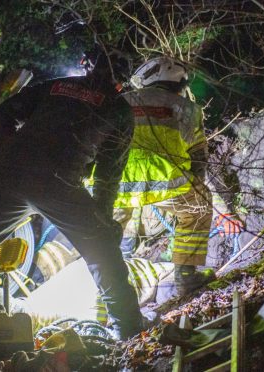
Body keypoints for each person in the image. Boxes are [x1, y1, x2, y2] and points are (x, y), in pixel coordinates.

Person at [0, 49, 142, 361]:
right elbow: (107, 179)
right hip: (60, 183)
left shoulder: (56, 85)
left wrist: (4, 151)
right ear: (124, 81)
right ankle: (134, 338)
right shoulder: (120, 111)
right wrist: (103, 222)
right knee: (104, 258)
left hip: (7, 174)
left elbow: (4, 113)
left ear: (87, 66)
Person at [112, 57, 217, 295]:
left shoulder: (119, 102)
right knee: (198, 206)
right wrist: (195, 184)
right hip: (165, 183)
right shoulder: (188, 109)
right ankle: (186, 277)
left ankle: (109, 290)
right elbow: (198, 157)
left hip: (114, 184)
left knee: (107, 235)